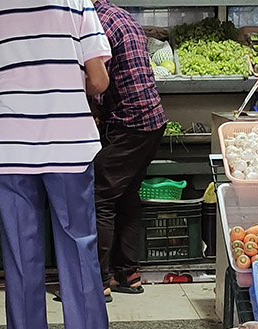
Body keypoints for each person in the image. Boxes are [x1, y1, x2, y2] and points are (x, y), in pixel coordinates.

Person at [0, 0, 117, 329]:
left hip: (11, 148)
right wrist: (60, 77)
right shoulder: (76, 3)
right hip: (68, 145)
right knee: (79, 252)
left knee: (21, 257)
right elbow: (99, 80)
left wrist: (14, 72)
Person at [92, 0, 167, 299]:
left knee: (100, 198)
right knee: (126, 197)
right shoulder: (121, 15)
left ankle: (98, 284)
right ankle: (129, 275)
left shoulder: (95, 24)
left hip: (129, 123)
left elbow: (98, 83)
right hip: (152, 121)